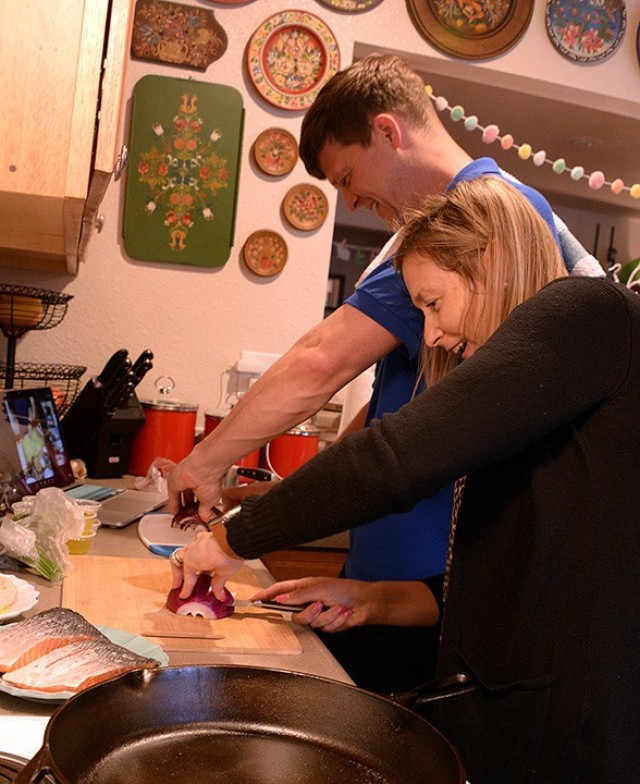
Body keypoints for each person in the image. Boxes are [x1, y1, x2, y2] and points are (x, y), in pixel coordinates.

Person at [170, 176, 640, 784]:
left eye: (433, 302)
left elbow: (393, 459)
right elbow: (503, 577)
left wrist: (232, 538)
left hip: (573, 739)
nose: (433, 332)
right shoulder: (542, 392)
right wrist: (373, 600)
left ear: (491, 262)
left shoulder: (587, 312)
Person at [168, 54, 603, 691]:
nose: (352, 200)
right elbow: (384, 423)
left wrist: (206, 473)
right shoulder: (432, 242)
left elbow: (326, 367)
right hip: (411, 585)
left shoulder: (485, 219)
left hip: (443, 597)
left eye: (347, 175)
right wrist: (283, 512)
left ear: (388, 131)